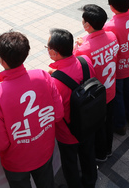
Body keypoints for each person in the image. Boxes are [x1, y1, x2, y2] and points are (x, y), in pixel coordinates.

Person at [0, 31, 64, 188]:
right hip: (45, 151)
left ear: (1, 60)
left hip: (16, 163)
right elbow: (58, 114)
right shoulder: (43, 77)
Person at [46, 28, 98, 188]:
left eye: (47, 48)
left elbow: (56, 114)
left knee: (70, 163)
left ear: (54, 53)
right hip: (89, 122)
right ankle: (90, 181)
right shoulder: (85, 61)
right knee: (88, 154)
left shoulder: (53, 82)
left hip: (68, 133)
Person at [73, 4, 119, 162]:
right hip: (111, 89)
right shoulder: (112, 37)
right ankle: (109, 149)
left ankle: (101, 154)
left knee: (98, 126)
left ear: (87, 25)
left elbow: (75, 63)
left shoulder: (83, 50)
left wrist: (78, 46)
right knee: (109, 121)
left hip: (97, 97)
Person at [103, 0, 129, 135]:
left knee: (118, 95)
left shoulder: (110, 26)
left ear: (111, 6)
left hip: (119, 68)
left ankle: (120, 125)